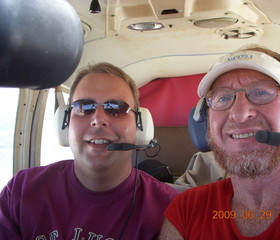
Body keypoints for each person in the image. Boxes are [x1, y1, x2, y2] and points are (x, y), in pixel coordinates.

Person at [0, 62, 178, 240]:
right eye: (84, 107)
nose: (98, 119)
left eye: (116, 108)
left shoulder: (170, 210)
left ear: (140, 126)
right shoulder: (21, 192)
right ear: (65, 122)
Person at [158, 46, 280, 239]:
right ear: (203, 123)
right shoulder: (187, 209)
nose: (240, 114)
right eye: (223, 97)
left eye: (261, 92)